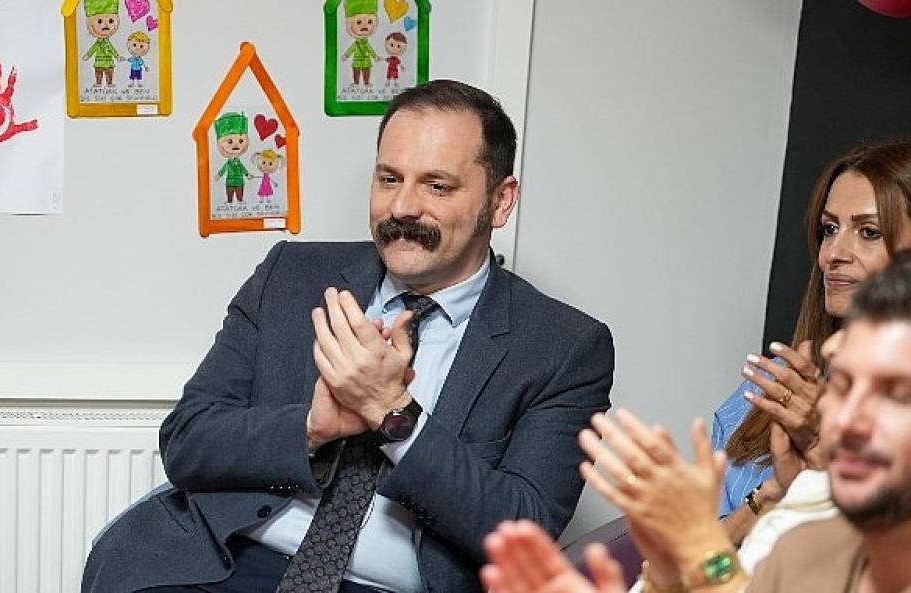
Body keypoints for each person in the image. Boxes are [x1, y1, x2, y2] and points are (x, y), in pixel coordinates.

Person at [82, 79, 614, 593]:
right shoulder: (291, 276)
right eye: (389, 179)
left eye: (436, 185)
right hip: (221, 562)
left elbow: (524, 536)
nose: (402, 208)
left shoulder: (565, 348)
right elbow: (187, 441)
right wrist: (311, 428)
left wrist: (393, 414)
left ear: (500, 201)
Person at [482, 251, 911, 593]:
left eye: (894, 394)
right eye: (842, 384)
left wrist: (701, 547)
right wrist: (668, 575)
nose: (846, 420)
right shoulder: (808, 536)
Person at [713, 142, 911, 544]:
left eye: (869, 232)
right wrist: (771, 495)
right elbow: (693, 562)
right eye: (830, 229)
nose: (833, 254)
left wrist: (828, 454)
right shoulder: (765, 391)